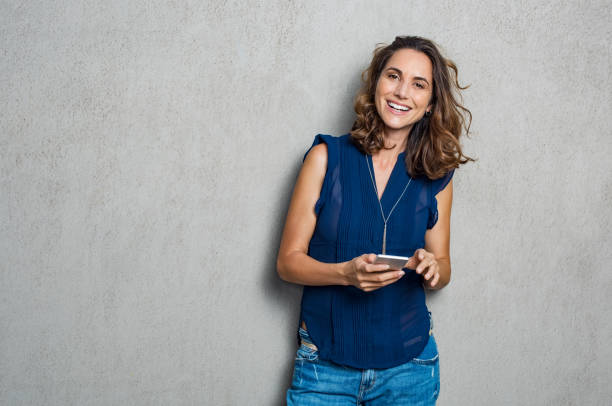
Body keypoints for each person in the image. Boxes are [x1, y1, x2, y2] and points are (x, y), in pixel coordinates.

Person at [276, 35, 473, 405]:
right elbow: (287, 263)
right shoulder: (325, 157)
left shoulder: (437, 175)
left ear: (430, 104)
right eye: (393, 76)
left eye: (419, 84)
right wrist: (344, 274)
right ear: (376, 83)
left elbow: (444, 268)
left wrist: (434, 268)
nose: (402, 92)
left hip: (410, 368)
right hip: (324, 367)